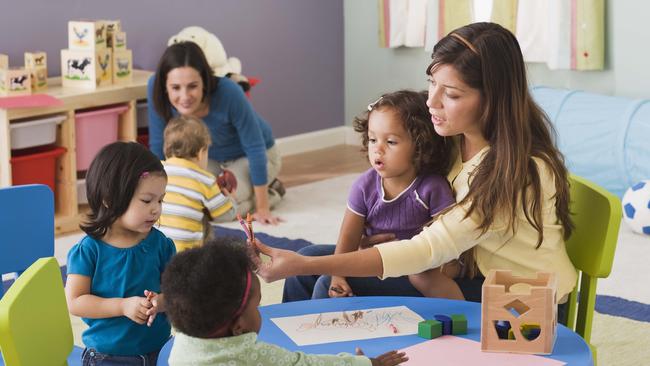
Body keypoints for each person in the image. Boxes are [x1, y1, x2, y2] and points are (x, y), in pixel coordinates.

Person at [254, 22, 578, 315]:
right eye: (432, 83)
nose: (432, 102)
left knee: (327, 282)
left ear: (491, 100)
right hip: (465, 271)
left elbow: (425, 250)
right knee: (309, 268)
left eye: (450, 94)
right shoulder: (453, 140)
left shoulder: (514, 172)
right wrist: (321, 258)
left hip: (518, 303)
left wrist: (303, 264)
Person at [284, 90, 465, 302]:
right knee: (305, 258)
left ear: (420, 146)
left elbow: (451, 243)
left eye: (391, 142)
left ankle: (320, 333)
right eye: (372, 139)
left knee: (325, 285)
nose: (377, 149)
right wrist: (338, 274)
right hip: (374, 257)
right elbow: (348, 238)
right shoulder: (364, 186)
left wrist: (446, 270)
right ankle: (285, 328)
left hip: (414, 268)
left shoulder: (432, 188)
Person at [162, 237, 408, 366]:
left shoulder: (183, 344)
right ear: (239, 326)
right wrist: (366, 363)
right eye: (256, 307)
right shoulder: (250, 356)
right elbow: (307, 364)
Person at [148, 41, 284, 225]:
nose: (185, 96)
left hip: (254, 156)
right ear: (165, 85)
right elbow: (157, 147)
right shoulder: (154, 88)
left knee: (219, 209)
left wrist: (262, 208)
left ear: (205, 81)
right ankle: (254, 191)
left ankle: (272, 192)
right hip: (207, 159)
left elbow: (255, 147)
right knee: (192, 201)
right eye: (176, 88)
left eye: (192, 86)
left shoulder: (229, 92)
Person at [65, 142, 176, 365]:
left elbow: (180, 290)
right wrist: (122, 306)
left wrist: (162, 302)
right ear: (109, 199)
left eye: (160, 199)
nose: (156, 208)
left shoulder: (161, 245)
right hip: (108, 357)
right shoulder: (88, 250)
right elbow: (75, 302)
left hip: (160, 350)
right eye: (146, 200)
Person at [158, 115, 237, 252]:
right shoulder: (205, 179)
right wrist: (231, 199)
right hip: (188, 256)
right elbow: (226, 216)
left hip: (156, 251)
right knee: (205, 222)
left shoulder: (157, 170)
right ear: (201, 153)